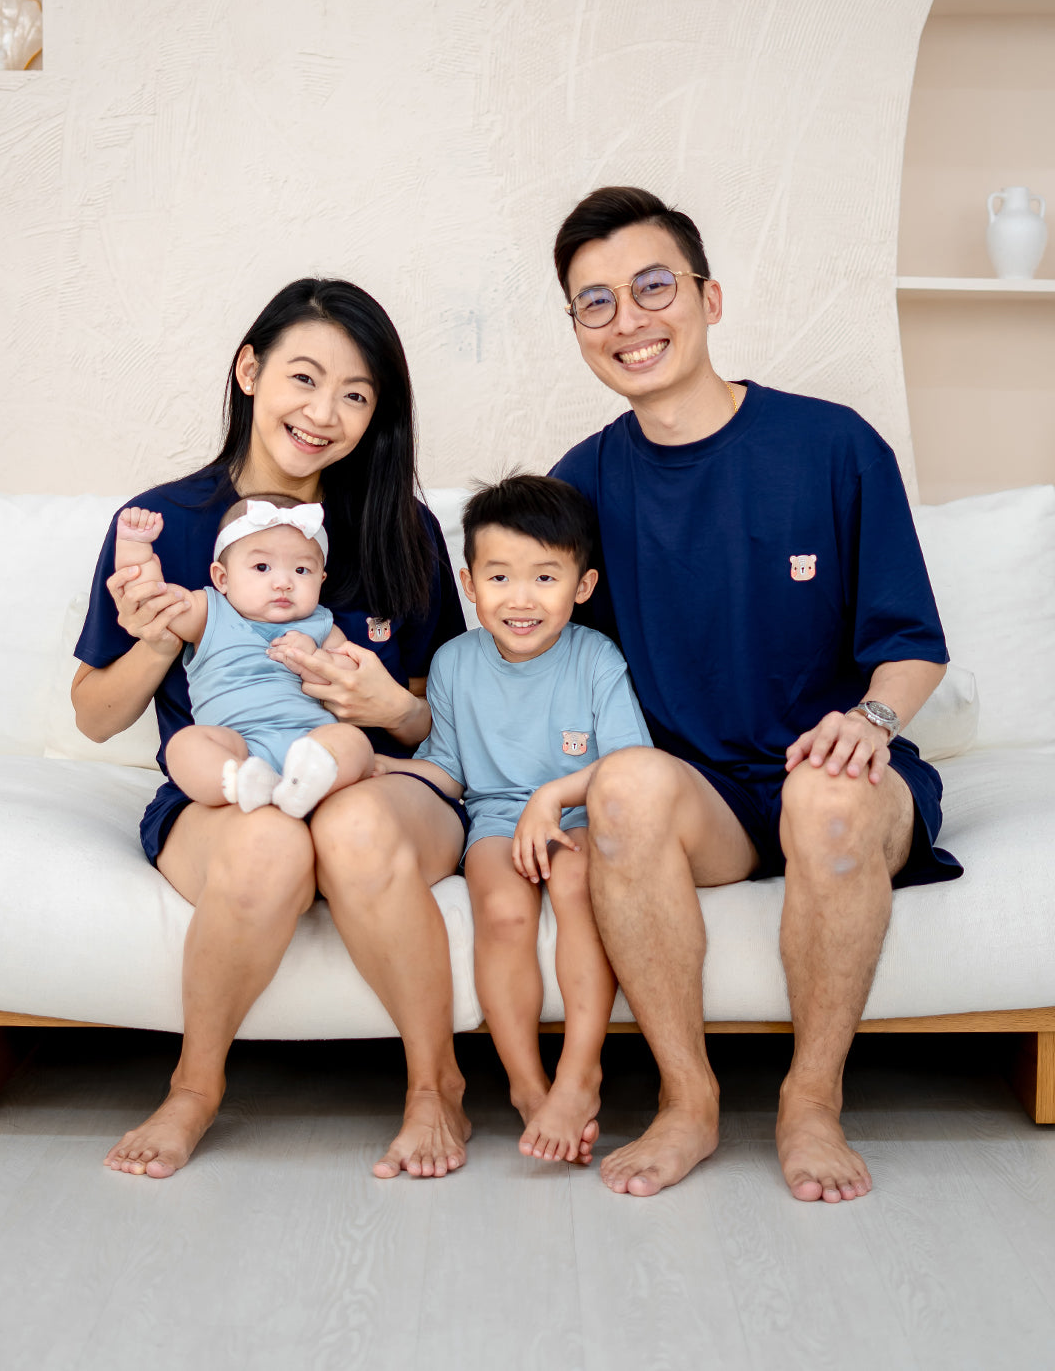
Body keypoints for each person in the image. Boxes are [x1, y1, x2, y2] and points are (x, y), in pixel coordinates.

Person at [548, 186, 962, 1204]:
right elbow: (535, 656)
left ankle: (810, 1103)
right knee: (625, 788)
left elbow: (914, 647)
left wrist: (870, 722)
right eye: (596, 302)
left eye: (653, 287)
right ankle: (687, 1103)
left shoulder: (833, 446)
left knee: (826, 796)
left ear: (710, 298)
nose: (628, 320)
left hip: (838, 766)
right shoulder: (580, 485)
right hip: (709, 800)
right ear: (578, 329)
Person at [72, 278, 472, 1180]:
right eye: (304, 378)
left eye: (357, 394)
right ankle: (193, 1090)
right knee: (269, 842)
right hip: (233, 790)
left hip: (377, 785)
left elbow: (443, 720)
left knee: (351, 823)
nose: (325, 414)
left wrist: (387, 709)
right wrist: (158, 640)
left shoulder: (400, 528)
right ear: (249, 371)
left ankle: (434, 1087)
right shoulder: (164, 524)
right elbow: (94, 716)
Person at [380, 475, 653, 1164]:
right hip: (496, 818)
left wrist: (554, 797)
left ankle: (580, 1074)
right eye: (499, 577)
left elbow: (629, 765)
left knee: (576, 885)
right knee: (502, 912)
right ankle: (529, 1087)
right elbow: (448, 769)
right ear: (469, 585)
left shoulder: (596, 657)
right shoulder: (453, 663)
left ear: (583, 587)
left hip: (581, 811)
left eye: (545, 578)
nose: (521, 599)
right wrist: (379, 769)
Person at [113, 496, 373, 818]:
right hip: (237, 744)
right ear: (222, 578)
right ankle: (241, 782)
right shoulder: (209, 612)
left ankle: (310, 783)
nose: (283, 583)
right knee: (184, 745)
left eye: (301, 570)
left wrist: (315, 660)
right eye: (262, 567)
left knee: (351, 740)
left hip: (313, 742)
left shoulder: (322, 625)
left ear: (321, 579)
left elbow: (350, 679)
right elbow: (153, 600)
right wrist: (135, 548)